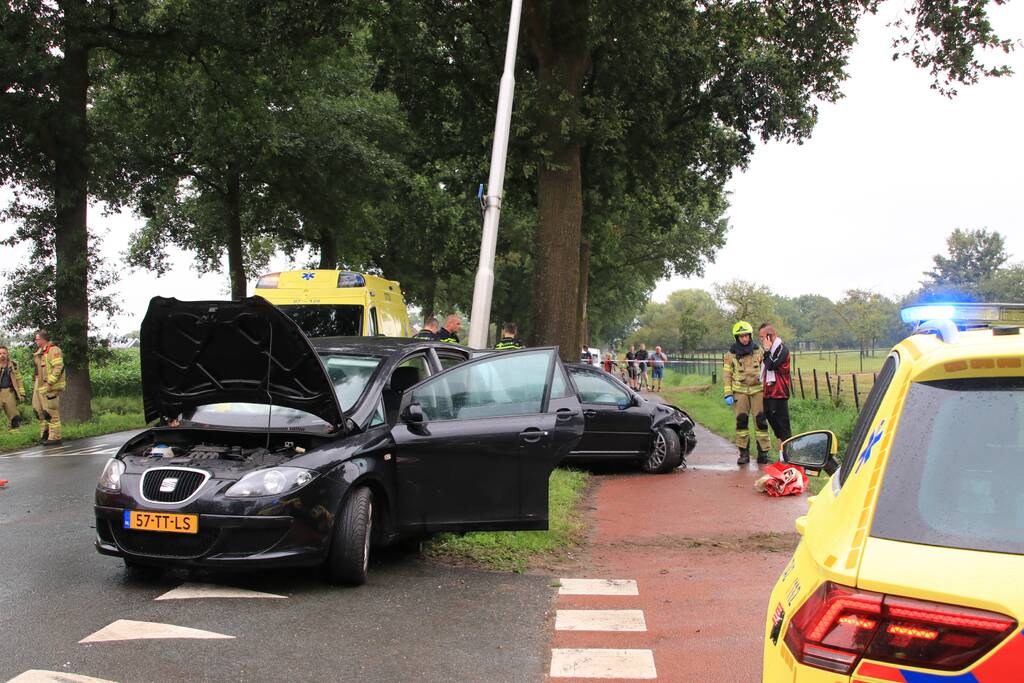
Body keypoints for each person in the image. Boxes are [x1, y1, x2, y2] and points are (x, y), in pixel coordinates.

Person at [723, 320, 771, 465]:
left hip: (758, 392)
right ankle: (744, 454)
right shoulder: (730, 355)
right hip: (740, 393)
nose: (744, 339)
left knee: (761, 422)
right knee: (741, 422)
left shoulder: (759, 351)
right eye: (741, 336)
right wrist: (728, 394)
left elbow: (767, 369)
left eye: (746, 336)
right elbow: (727, 375)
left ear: (750, 335)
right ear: (736, 338)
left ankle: (763, 453)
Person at [759, 323, 792, 446]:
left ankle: (787, 454)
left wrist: (767, 351)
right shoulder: (767, 351)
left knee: (783, 426)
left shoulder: (782, 350)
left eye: (762, 337)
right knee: (773, 422)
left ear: (769, 337)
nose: (761, 340)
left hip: (779, 392)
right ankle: (781, 451)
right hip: (768, 392)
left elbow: (771, 365)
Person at [32, 329, 65, 445]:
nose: (36, 341)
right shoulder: (39, 352)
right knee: (38, 410)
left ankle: (55, 436)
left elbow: (58, 368)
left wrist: (50, 383)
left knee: (51, 411)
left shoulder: (54, 350)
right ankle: (45, 433)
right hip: (40, 385)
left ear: (42, 339)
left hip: (50, 386)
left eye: (37, 339)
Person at [0, 346, 26, 429]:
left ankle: (14, 436)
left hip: (9, 393)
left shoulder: (13, 365)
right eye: (0, 353)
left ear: (7, 354)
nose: (2, 355)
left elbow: (19, 379)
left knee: (14, 418)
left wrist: (22, 393)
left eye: (4, 353)